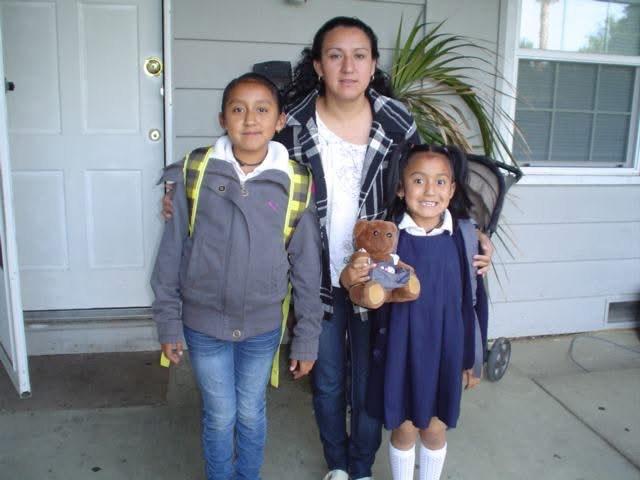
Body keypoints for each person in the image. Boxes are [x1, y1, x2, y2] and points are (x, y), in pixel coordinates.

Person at [162, 17, 494, 480]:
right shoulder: (291, 122)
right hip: (314, 274)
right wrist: (178, 184)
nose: (348, 66)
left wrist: (470, 231)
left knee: (369, 379)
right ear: (318, 64)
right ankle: (337, 463)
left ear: (373, 64)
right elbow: (239, 151)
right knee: (329, 378)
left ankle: (361, 466)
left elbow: (427, 184)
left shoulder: (397, 121)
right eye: (335, 55)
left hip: (377, 277)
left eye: (359, 55)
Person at [151, 72, 322, 480]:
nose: (250, 119)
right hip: (203, 323)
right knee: (219, 413)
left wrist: (308, 337)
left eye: (262, 109)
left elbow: (307, 266)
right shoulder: (195, 171)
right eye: (238, 109)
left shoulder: (296, 183)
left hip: (262, 326)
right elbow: (172, 252)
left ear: (280, 120)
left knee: (250, 411)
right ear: (222, 119)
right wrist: (168, 321)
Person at [367, 143, 483, 480]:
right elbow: (373, 297)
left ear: (452, 190)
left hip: (445, 354)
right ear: (402, 189)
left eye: (440, 181)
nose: (430, 190)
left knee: (434, 429)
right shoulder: (388, 239)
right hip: (399, 353)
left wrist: (472, 358)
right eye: (418, 181)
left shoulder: (463, 239)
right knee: (403, 429)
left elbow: (475, 303)